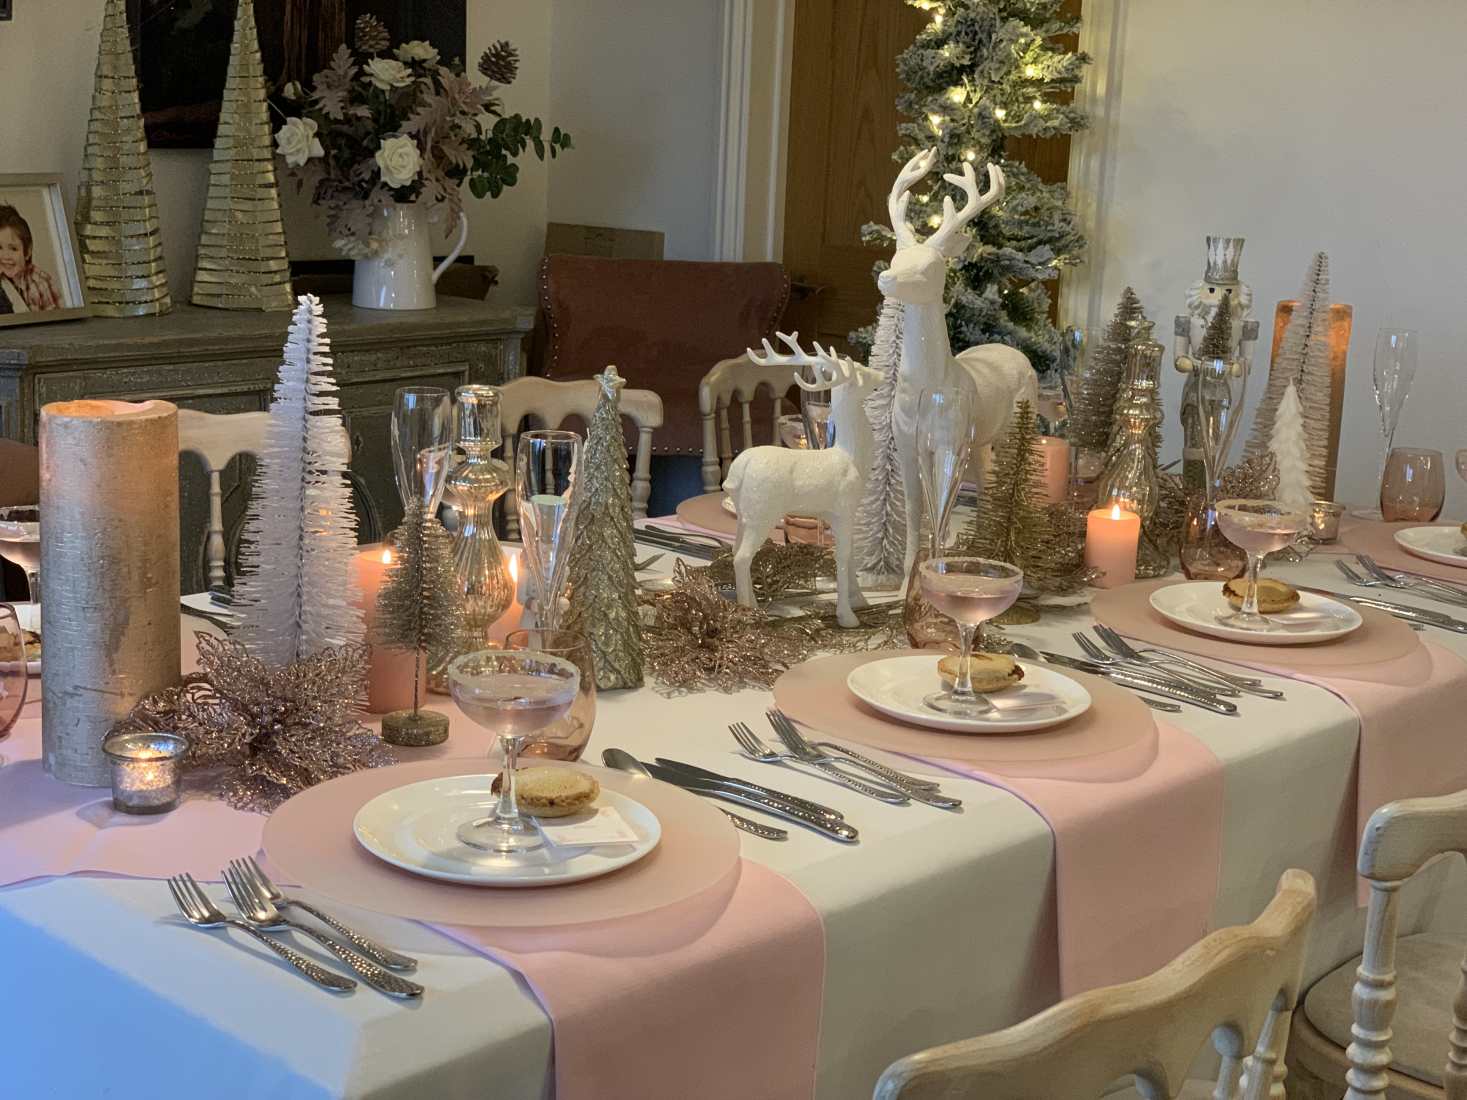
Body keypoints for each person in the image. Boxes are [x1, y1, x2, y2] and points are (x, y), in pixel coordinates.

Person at [0, 205, 62, 312]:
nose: (5, 256)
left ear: (27, 252)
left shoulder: (41, 283)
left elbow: (57, 324)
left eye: (13, 249)